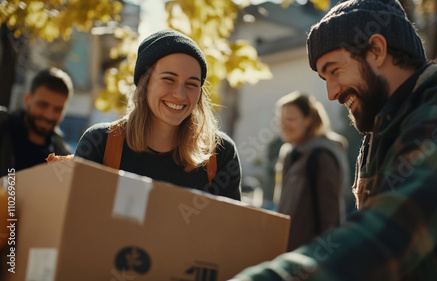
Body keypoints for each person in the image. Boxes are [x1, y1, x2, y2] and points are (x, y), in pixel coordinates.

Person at [232, 0, 437, 280]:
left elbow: (392, 231)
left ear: (377, 50)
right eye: (324, 78)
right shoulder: (376, 138)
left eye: (334, 71)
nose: (331, 93)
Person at [74, 29, 241, 200]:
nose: (180, 95)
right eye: (169, 79)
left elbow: (229, 226)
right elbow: (77, 219)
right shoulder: (101, 144)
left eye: (192, 84)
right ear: (144, 82)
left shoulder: (221, 154)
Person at [274, 91, 349, 251]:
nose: (284, 125)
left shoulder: (321, 156)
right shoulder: (289, 154)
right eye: (281, 120)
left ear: (308, 120)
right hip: (285, 254)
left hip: (308, 260)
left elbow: (330, 218)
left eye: (291, 119)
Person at [0, 68, 73, 177]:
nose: (49, 115)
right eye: (43, 105)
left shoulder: (63, 155)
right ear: (27, 99)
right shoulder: (3, 125)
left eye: (57, 109)